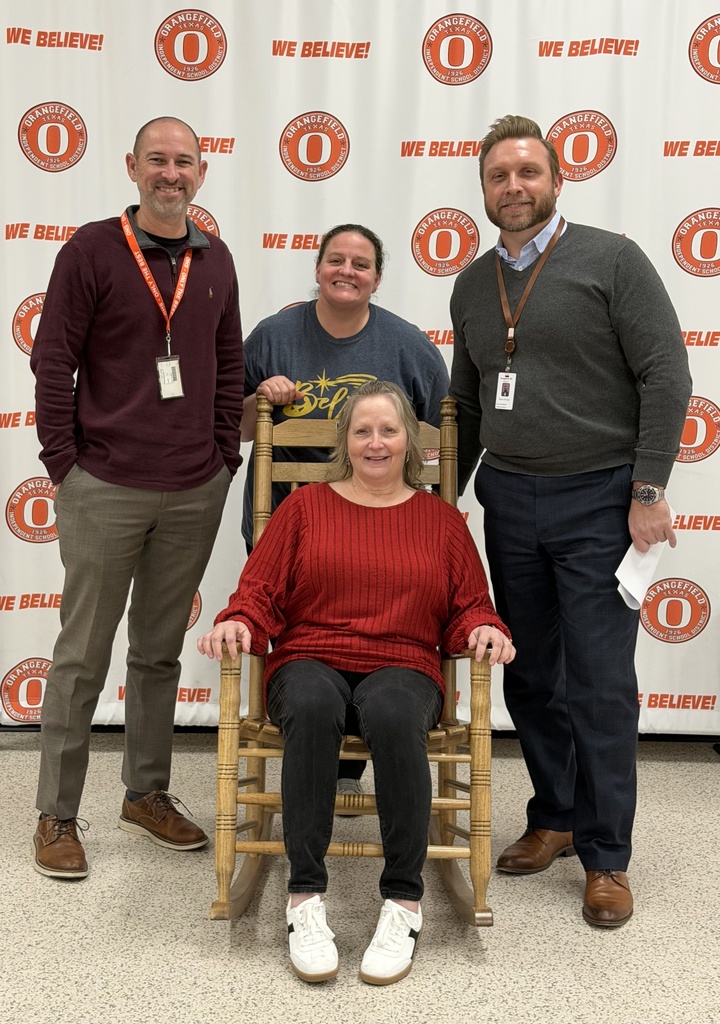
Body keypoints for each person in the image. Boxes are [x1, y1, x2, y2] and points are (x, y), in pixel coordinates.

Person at [449, 115, 692, 927]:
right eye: (498, 176)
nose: (512, 187)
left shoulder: (613, 259)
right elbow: (469, 401)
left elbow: (666, 371)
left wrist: (648, 488)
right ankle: (552, 815)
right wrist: (442, 499)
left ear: (557, 180)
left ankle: (607, 855)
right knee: (529, 673)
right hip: (510, 501)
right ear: (483, 190)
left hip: (599, 500)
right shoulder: (471, 284)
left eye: (527, 173)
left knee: (598, 682)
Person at [198, 381, 514, 984]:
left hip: (402, 662)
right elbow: (259, 591)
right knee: (313, 705)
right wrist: (239, 619)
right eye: (362, 430)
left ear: (410, 444)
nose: (375, 443)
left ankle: (403, 901)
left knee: (396, 713)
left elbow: (471, 605)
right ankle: (305, 899)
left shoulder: (443, 522)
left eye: (388, 430)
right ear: (346, 440)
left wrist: (484, 630)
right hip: (308, 659)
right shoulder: (304, 508)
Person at [29, 116, 244, 879]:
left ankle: (145, 793)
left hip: (193, 487)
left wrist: (224, 455)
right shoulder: (90, 250)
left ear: (201, 173)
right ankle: (56, 812)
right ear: (132, 166)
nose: (171, 173)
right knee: (82, 654)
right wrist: (66, 465)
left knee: (156, 654)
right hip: (105, 485)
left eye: (184, 161)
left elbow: (227, 365)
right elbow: (53, 361)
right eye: (157, 159)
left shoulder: (215, 260)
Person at [240, 223, 450, 801]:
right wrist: (259, 401)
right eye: (336, 259)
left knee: (369, 635)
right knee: (305, 649)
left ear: (377, 278)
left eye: (361, 264)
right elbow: (229, 428)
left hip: (379, 531)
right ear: (317, 267)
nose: (347, 271)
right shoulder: (273, 336)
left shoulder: (411, 348)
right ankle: (308, 759)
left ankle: (344, 773)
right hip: (288, 523)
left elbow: (434, 453)